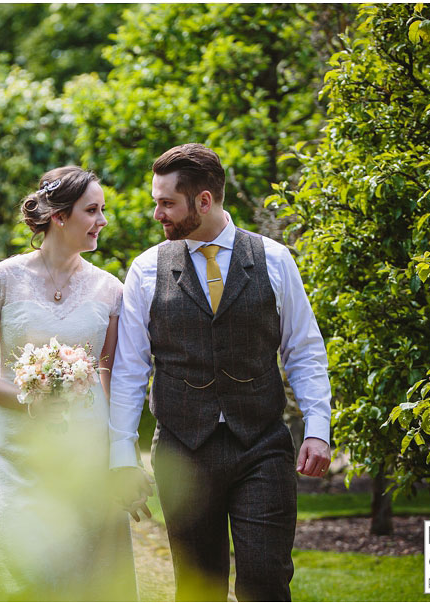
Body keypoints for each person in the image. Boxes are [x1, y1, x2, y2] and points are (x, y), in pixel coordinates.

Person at [109, 144, 332, 601]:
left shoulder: (273, 259)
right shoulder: (146, 270)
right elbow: (130, 369)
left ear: (204, 201)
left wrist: (318, 427)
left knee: (266, 583)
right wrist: (121, 456)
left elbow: (304, 349)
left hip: (262, 447)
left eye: (167, 203)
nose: (157, 214)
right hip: (182, 452)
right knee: (198, 590)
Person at [0, 166, 137, 601]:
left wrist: (122, 458)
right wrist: (26, 399)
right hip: (13, 452)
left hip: (84, 450)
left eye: (103, 210)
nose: (103, 220)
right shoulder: (1, 279)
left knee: (84, 573)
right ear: (59, 216)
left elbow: (109, 375)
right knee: (15, 572)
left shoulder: (110, 290)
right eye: (92, 210)